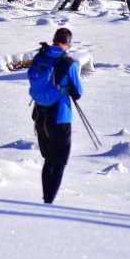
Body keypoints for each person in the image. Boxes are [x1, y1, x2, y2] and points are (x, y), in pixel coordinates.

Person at [29, 27, 83, 204]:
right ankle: (48, 203)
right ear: (68, 44)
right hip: (60, 116)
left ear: (54, 41)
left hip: (39, 115)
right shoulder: (68, 62)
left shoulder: (41, 56)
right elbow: (78, 93)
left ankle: (47, 199)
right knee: (58, 162)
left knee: (49, 160)